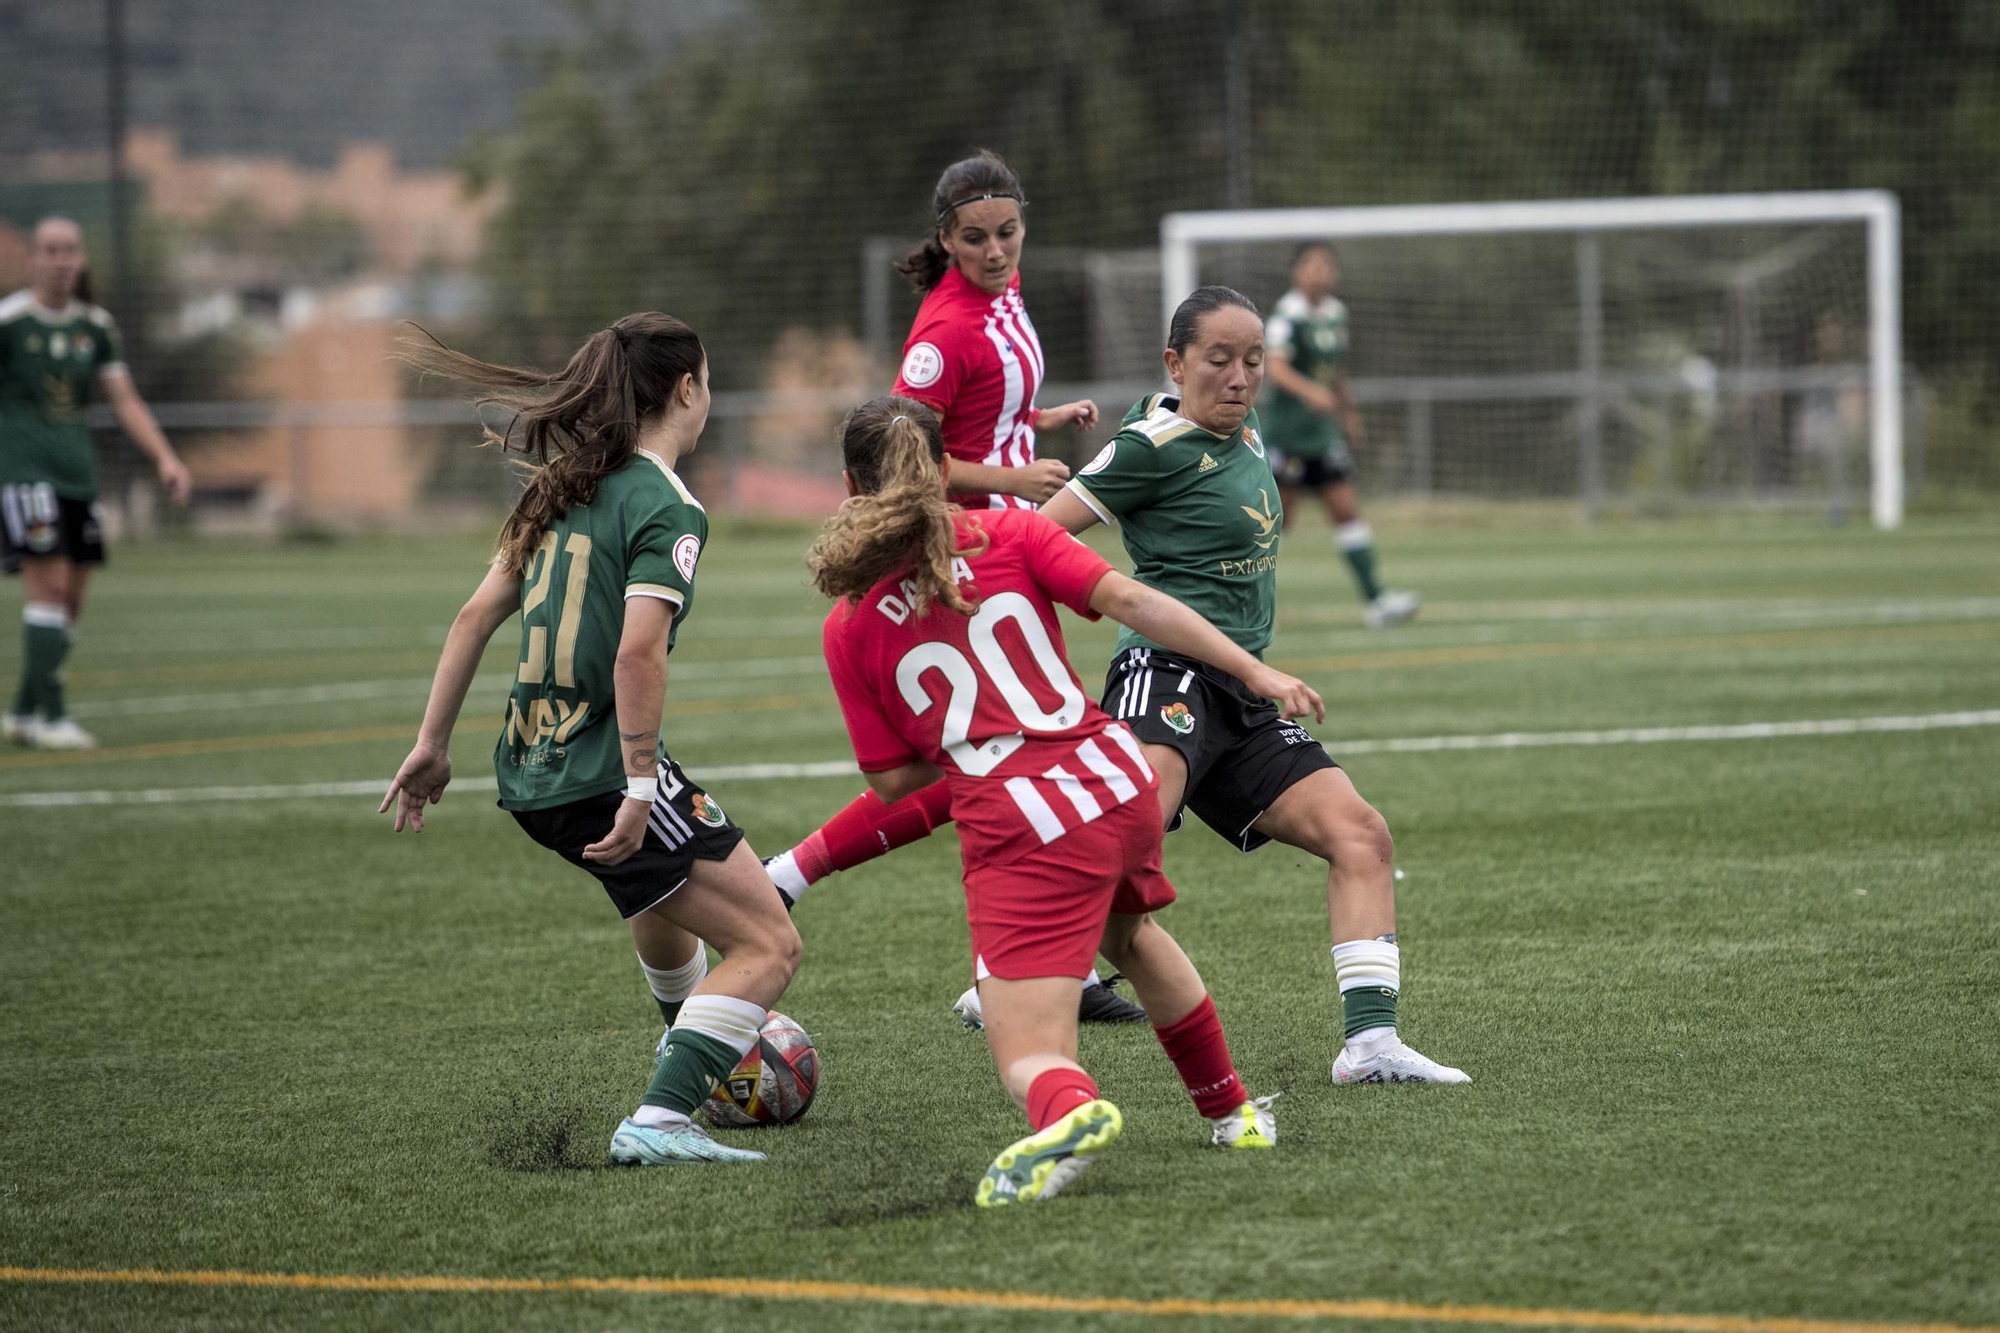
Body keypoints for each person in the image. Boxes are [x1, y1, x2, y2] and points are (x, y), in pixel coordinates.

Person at [812, 396, 1318, 1204]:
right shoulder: (1013, 532)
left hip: (1024, 825)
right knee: (1134, 933)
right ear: (946, 471)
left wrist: (975, 749)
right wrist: (1256, 671)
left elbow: (895, 784)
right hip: (1115, 779)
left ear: (849, 485)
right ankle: (1235, 1114)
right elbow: (1136, 603)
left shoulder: (851, 623)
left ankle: (1071, 1113)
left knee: (1026, 1055)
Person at [380, 313, 801, 1166]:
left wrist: (432, 743)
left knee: (657, 899)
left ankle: (687, 1044)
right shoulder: (668, 503)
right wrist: (642, 786)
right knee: (769, 943)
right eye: (707, 379)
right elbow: (637, 649)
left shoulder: (557, 485)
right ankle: (661, 1116)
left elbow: (472, 615)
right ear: (688, 389)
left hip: (529, 768)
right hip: (602, 770)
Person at [1036, 286, 1468, 1086]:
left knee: (1361, 834)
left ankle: (1370, 1046)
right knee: (1122, 837)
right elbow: (1038, 534)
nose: (1240, 377)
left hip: (1240, 696)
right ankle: (1007, 971)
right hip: (1163, 675)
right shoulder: (1149, 445)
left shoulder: (1245, 426)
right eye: (1218, 359)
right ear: (1176, 361)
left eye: (1253, 360)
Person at [765, 153, 1145, 1024]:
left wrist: (1038, 421)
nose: (995, 250)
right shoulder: (940, 336)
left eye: (1007, 232)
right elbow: (907, 453)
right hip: (956, 554)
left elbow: (982, 410)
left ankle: (805, 882)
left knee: (1004, 756)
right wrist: (1009, 480)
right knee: (1006, 754)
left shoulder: (1001, 297)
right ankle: (996, 969)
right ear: (945, 239)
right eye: (974, 238)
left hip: (1001, 544)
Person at [3, 216, 192, 749]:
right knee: (50, 588)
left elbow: (124, 399)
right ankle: (53, 718)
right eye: (50, 250)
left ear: (81, 258)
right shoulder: (10, 322)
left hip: (77, 475)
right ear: (33, 259)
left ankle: (22, 711)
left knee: (72, 602)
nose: (61, 260)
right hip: (24, 475)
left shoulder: (95, 327)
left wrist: (165, 457)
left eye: (70, 250)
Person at [1261, 242, 1417, 629]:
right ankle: (1246, 605)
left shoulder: (1335, 314)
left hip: (1322, 436)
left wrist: (1350, 415)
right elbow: (1275, 368)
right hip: (1288, 437)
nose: (1320, 272)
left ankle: (1377, 602)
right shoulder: (1286, 316)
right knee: (1275, 525)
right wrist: (1311, 392)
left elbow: (1335, 372)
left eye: (1326, 265)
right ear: (1297, 272)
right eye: (1311, 265)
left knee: (1347, 512)